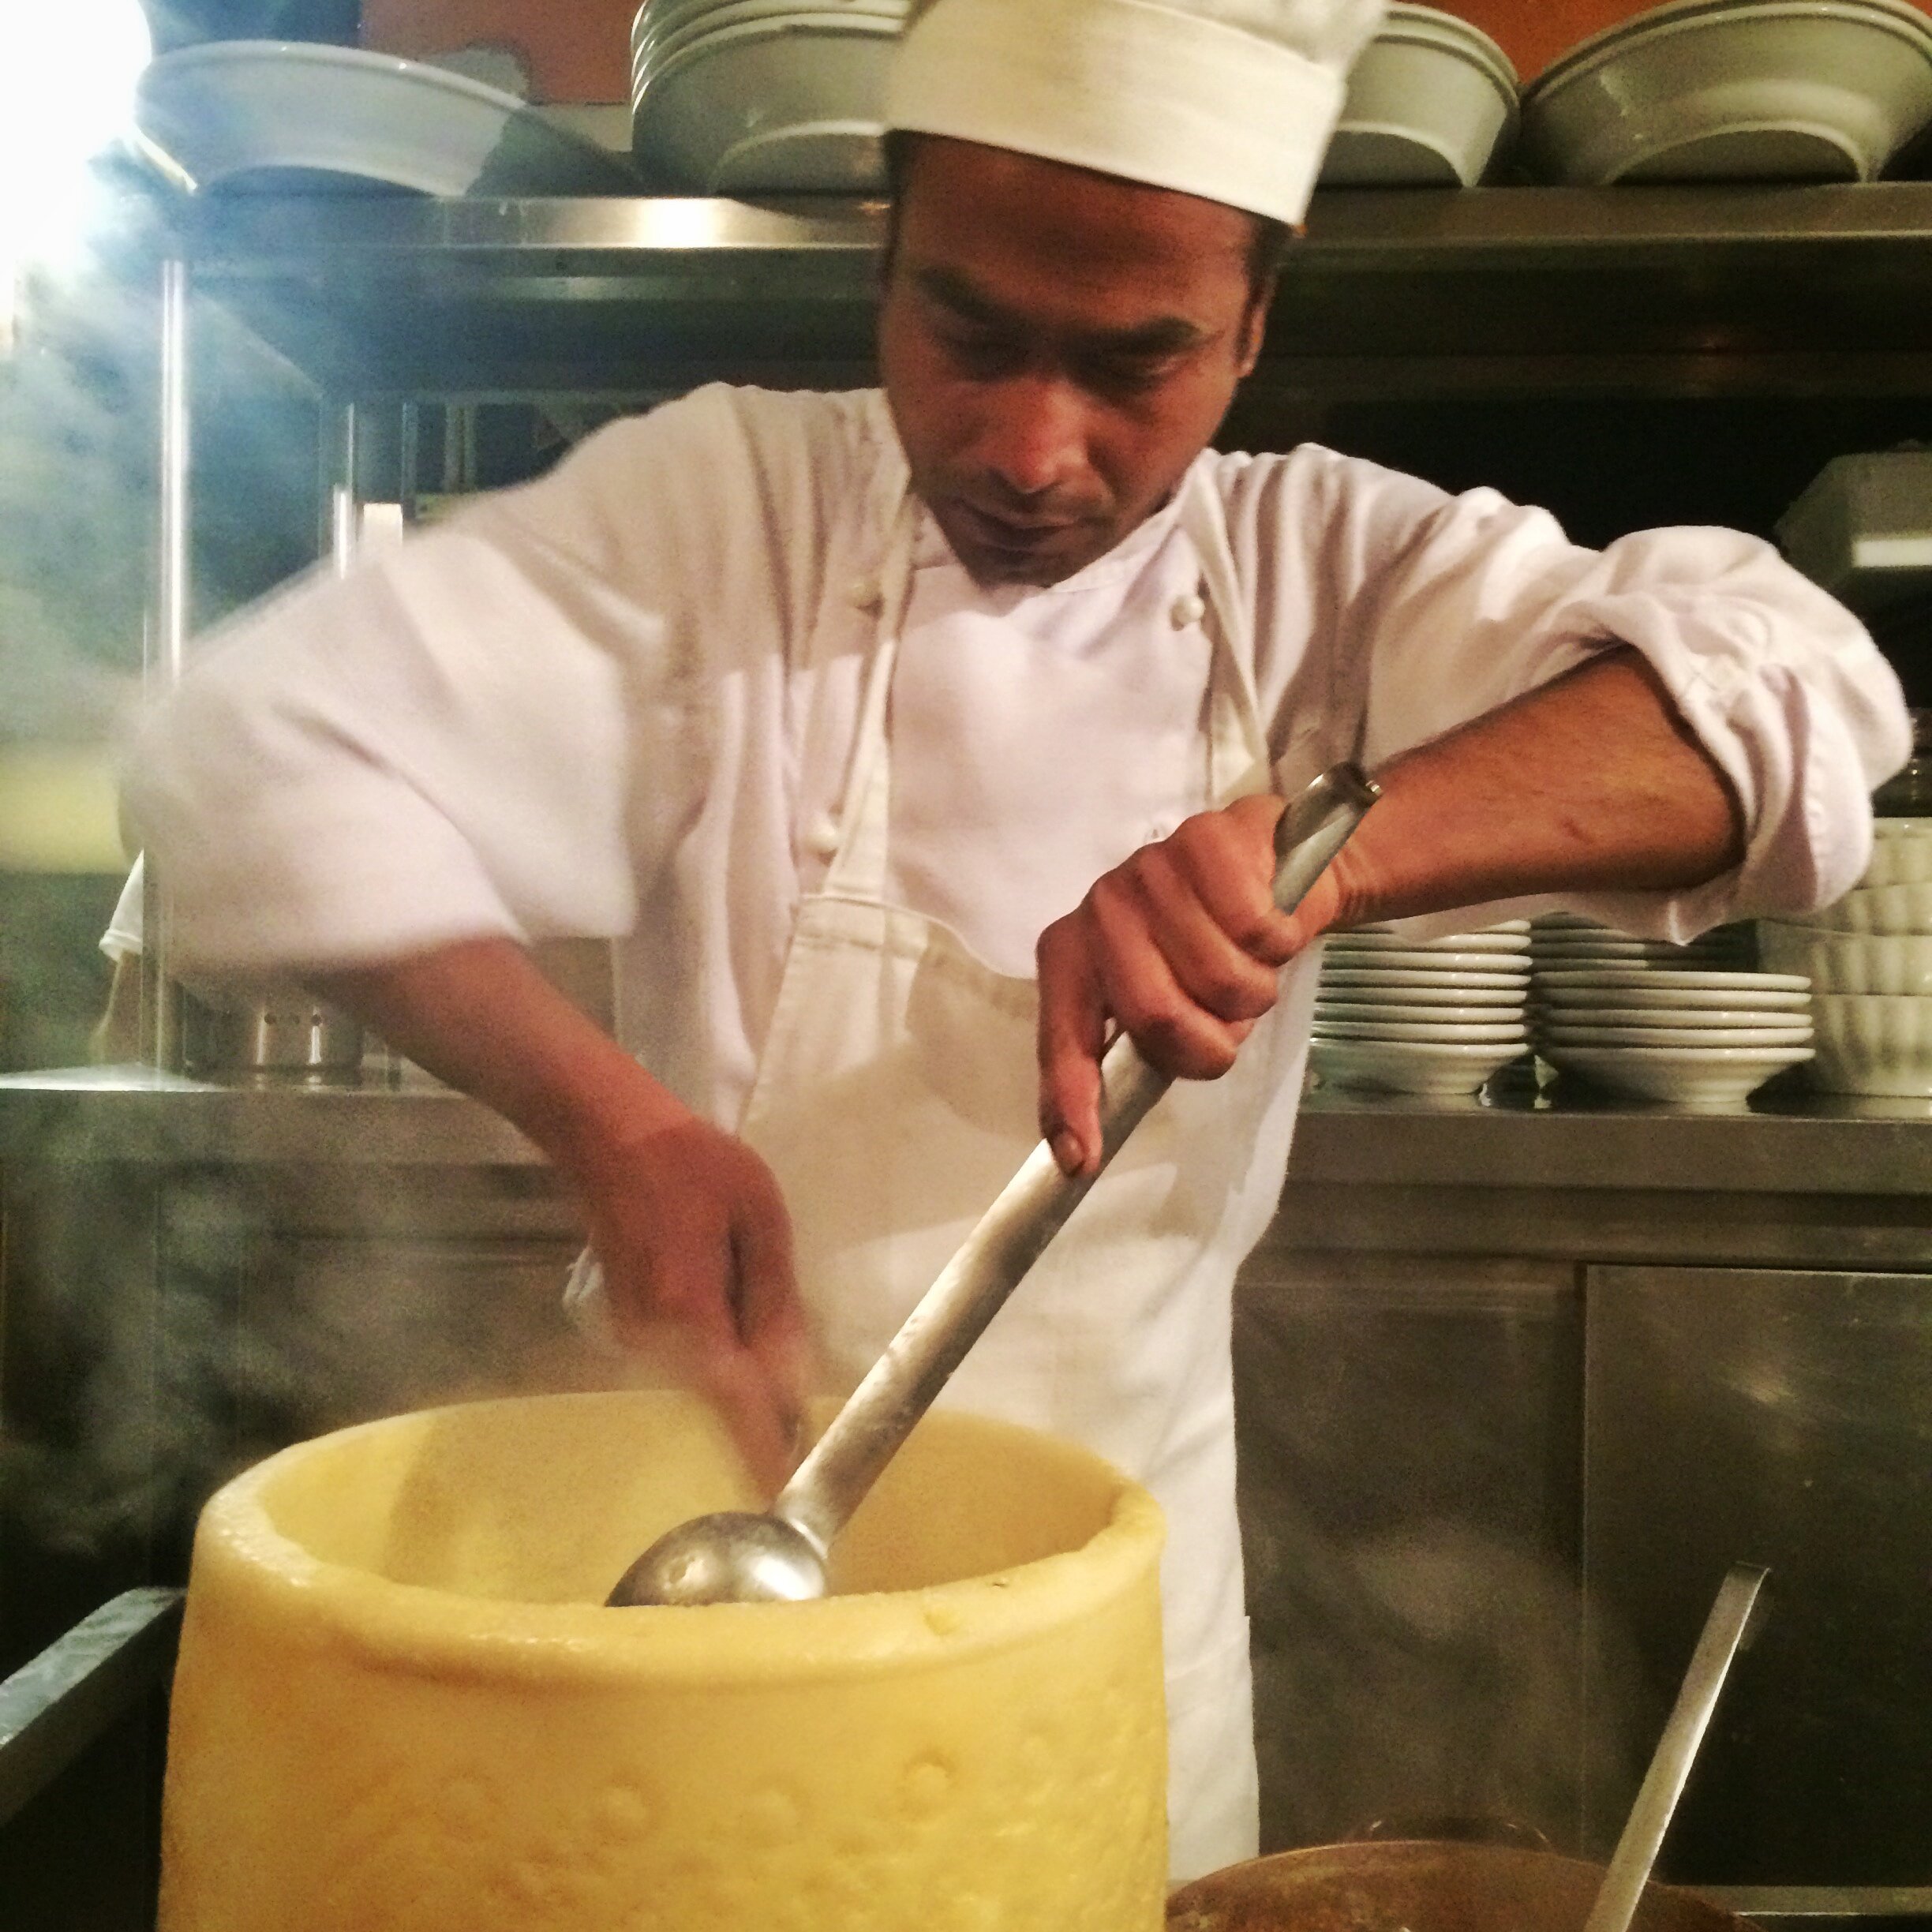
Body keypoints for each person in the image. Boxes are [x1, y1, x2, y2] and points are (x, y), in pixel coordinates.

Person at [125, 0, 1908, 1881]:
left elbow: (1803, 699)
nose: (1035, 449)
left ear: (1251, 331)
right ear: (886, 257)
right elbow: (235, 754)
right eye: (965, 334)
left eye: (1137, 364)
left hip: (1108, 1648)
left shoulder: (1323, 572)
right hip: (698, 1649)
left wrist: (1323, 855)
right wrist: (609, 1123)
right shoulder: (729, 507)